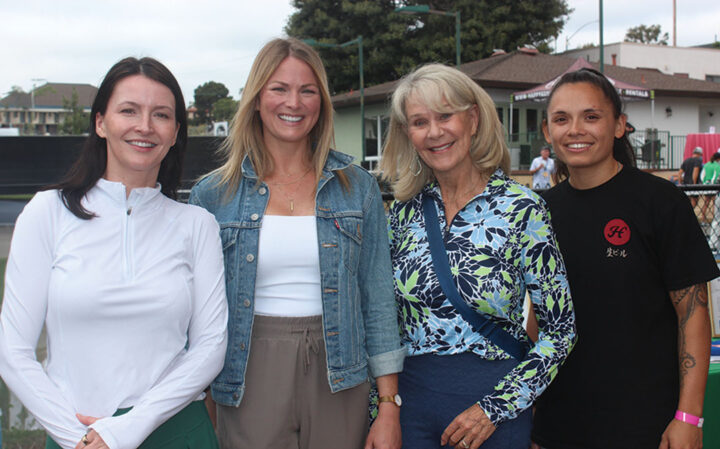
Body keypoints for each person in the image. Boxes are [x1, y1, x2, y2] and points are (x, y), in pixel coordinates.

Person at [0, 57, 228, 449]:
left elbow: (211, 348)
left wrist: (125, 430)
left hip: (176, 432)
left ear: (175, 132)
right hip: (75, 435)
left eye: (161, 115)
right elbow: (12, 351)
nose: (145, 126)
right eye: (129, 111)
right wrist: (80, 439)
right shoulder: (47, 212)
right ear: (101, 122)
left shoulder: (197, 225)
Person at [189, 38, 404, 449]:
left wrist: (389, 404)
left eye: (308, 91)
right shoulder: (213, 195)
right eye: (279, 89)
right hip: (247, 370)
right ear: (255, 99)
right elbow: (199, 312)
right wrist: (202, 396)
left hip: (341, 371)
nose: (295, 102)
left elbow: (377, 298)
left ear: (321, 102)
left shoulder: (357, 188)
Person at [379, 63, 576, 449]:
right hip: (410, 408)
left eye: (445, 116)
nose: (434, 132)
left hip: (492, 410)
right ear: (408, 134)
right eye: (420, 122)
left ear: (472, 119)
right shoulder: (401, 214)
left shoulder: (523, 209)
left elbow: (560, 331)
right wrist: (379, 409)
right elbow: (382, 321)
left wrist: (497, 407)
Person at [532, 67, 717, 449]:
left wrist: (688, 417)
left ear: (619, 126)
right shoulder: (539, 212)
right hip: (559, 424)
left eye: (592, 116)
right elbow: (539, 316)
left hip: (648, 424)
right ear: (548, 133)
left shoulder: (660, 202)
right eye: (562, 119)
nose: (576, 129)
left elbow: (694, 314)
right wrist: (531, 411)